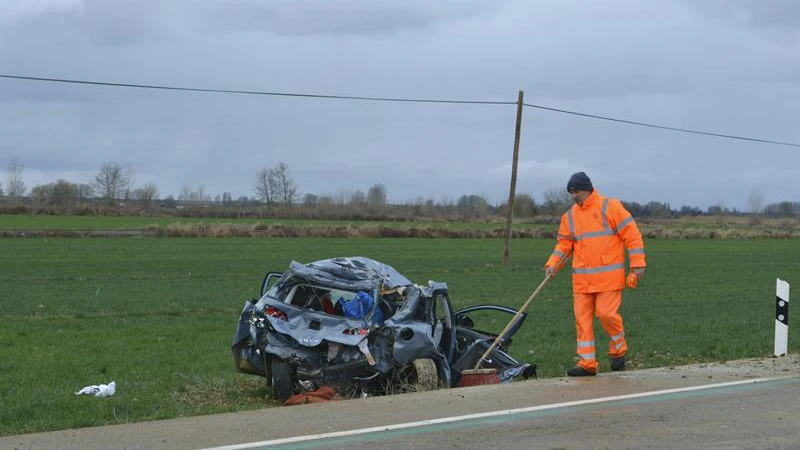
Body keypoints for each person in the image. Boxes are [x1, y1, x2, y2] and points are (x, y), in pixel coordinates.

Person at [544, 172, 646, 377]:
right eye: (571, 192)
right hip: (581, 280)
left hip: (608, 279)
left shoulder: (611, 207)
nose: (574, 196)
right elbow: (564, 245)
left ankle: (618, 351)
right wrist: (553, 264)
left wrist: (637, 266)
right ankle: (587, 363)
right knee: (582, 321)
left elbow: (632, 236)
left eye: (577, 191)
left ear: (588, 189)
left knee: (606, 314)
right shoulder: (569, 216)